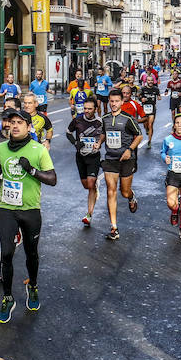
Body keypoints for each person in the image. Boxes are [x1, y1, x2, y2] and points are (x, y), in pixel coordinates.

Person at [0, 108, 57, 323]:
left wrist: (32, 171)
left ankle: (33, 285)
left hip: (30, 210)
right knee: (6, 253)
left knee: (31, 253)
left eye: (21, 122)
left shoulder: (38, 150)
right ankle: (8, 297)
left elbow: (53, 179)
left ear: (29, 127)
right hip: (7, 208)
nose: (15, 125)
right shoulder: (0, 148)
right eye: (12, 122)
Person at [101, 90, 143, 241]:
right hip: (110, 159)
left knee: (124, 192)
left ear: (121, 102)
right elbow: (103, 132)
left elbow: (139, 135)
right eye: (111, 101)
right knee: (111, 191)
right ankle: (114, 227)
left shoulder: (127, 119)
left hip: (126, 159)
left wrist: (129, 150)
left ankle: (131, 197)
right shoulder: (104, 118)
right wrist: (99, 142)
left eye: (116, 101)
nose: (113, 104)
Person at [65, 98, 104, 226]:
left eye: (89, 109)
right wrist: (75, 143)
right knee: (86, 185)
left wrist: (99, 143)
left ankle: (89, 214)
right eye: (85, 108)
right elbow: (68, 132)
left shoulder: (99, 122)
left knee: (91, 183)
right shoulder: (78, 120)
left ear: (95, 109)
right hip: (80, 156)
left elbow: (105, 134)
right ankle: (94, 186)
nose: (86, 111)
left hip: (93, 156)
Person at [138, 74, 162, 148]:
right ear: (146, 81)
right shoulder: (142, 89)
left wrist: (159, 97)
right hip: (144, 108)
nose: (150, 81)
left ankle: (149, 141)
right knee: (145, 124)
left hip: (152, 108)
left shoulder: (156, 89)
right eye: (149, 80)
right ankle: (146, 129)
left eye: (151, 80)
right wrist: (141, 98)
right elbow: (138, 95)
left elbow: (159, 95)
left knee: (150, 124)